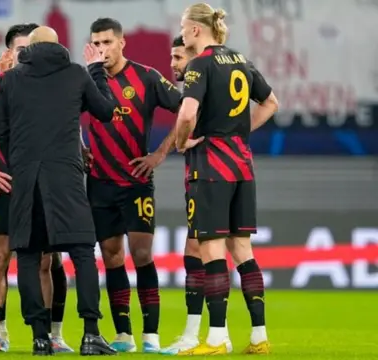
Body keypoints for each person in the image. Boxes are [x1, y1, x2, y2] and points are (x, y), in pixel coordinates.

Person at [0, 25, 116, 356]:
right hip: (66, 177)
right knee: (81, 253)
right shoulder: (76, 73)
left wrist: (21, 157)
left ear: (27, 49)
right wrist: (97, 70)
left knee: (30, 256)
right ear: (60, 45)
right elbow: (106, 110)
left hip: (26, 178)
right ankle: (91, 334)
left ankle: (39, 337)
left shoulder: (10, 80)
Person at [0, 23, 73, 354]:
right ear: (7, 52)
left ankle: (47, 334)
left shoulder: (55, 82)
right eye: (21, 50)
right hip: (5, 182)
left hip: (46, 184)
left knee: (47, 260)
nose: (28, 56)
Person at [174, 3, 279, 355]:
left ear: (194, 31)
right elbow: (271, 103)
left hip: (211, 168)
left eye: (183, 26)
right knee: (243, 251)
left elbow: (188, 112)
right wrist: (238, 131)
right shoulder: (241, 61)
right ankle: (258, 335)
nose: (183, 31)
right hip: (242, 166)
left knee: (212, 250)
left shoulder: (199, 65)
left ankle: (217, 337)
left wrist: (180, 141)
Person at [84, 18, 181, 353]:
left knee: (141, 254)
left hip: (137, 181)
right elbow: (63, 117)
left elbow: (186, 110)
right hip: (99, 183)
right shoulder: (86, 80)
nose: (102, 50)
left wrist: (159, 154)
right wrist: (79, 149)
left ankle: (151, 335)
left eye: (108, 42)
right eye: (96, 43)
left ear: (122, 43)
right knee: (111, 257)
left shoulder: (147, 77)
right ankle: (123, 333)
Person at [159, 35, 206, 355]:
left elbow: (189, 120)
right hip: (210, 175)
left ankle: (197, 334)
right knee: (220, 252)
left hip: (210, 177)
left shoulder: (198, 87)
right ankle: (226, 333)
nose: (173, 64)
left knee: (201, 252)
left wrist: (179, 142)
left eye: (178, 57)